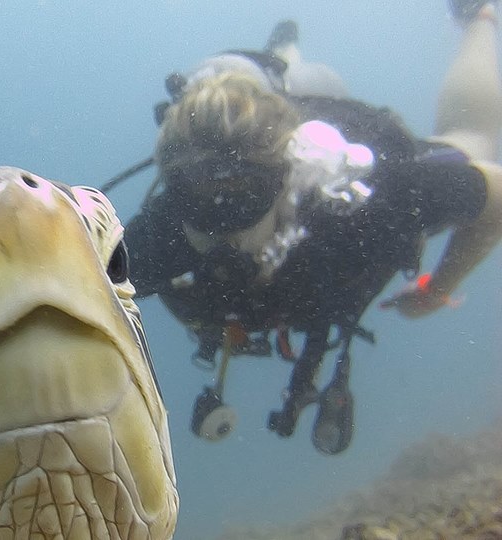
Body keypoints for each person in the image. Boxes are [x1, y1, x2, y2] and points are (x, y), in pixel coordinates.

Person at [124, 1, 502, 454]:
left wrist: (438, 289)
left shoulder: (369, 201)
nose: (222, 219)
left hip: (349, 143)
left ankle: (479, 17)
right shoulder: (160, 235)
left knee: (475, 139)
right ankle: (284, 55)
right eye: (193, 197)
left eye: (245, 195)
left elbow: (495, 195)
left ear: (286, 178)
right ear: (172, 189)